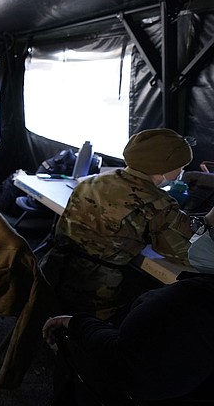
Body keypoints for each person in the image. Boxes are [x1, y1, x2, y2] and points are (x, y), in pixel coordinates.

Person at [39, 128, 214, 321]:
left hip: (53, 275)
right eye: (180, 165)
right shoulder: (156, 202)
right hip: (96, 296)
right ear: (163, 166)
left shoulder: (91, 182)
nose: (182, 170)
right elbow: (189, 254)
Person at [41, 234, 214, 406]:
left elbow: (119, 356)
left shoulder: (189, 301)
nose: (199, 234)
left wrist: (76, 323)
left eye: (209, 229)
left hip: (127, 405)